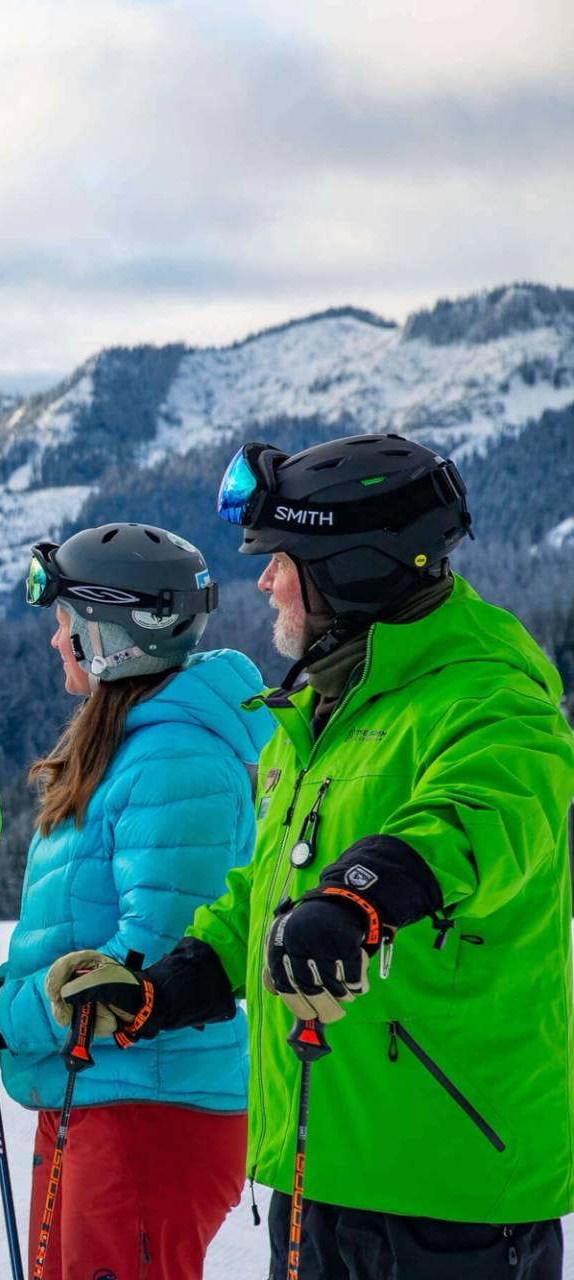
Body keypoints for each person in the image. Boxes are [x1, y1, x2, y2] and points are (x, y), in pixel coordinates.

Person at [49, 434, 574, 1278]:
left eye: (281, 561)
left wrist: (357, 898)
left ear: (350, 572)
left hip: (448, 1184)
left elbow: (474, 820)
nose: (264, 582)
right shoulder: (318, 708)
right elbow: (267, 895)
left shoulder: (492, 696)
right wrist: (161, 988)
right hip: (317, 1159)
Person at [0, 524, 270, 1279]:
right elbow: (83, 934)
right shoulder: (127, 747)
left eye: (66, 621)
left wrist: (11, 1015)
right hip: (94, 1093)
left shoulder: (176, 760)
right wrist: (8, 995)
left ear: (110, 635)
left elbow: (148, 960)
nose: (54, 639)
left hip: (149, 1107)